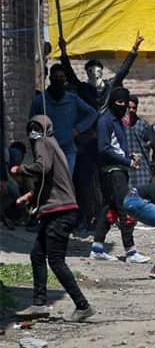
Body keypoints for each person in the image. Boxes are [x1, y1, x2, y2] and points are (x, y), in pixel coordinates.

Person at [12, 115, 96, 322]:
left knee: (56, 260)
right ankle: (39, 303)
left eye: (35, 128)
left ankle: (82, 305)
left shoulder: (42, 142)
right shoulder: (54, 146)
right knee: (37, 255)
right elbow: (50, 182)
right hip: (59, 211)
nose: (33, 132)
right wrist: (30, 196)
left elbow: (42, 167)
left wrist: (20, 169)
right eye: (31, 128)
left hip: (61, 213)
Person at [90, 88, 150, 263]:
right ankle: (130, 251)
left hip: (119, 169)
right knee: (125, 209)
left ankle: (97, 248)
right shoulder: (105, 121)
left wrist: (128, 157)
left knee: (110, 209)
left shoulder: (117, 121)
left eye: (125, 102)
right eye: (120, 102)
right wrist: (126, 162)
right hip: (113, 171)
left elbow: (117, 147)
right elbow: (104, 148)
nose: (123, 106)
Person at [29, 64, 98, 174]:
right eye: (55, 77)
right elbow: (31, 128)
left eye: (61, 77)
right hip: (47, 151)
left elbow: (92, 114)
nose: (58, 80)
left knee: (65, 184)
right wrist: (37, 146)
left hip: (68, 150)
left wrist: (78, 129)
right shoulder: (40, 100)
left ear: (65, 79)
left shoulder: (72, 99)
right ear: (50, 78)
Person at [58, 33, 143, 113]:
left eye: (97, 71)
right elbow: (70, 75)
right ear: (87, 73)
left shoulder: (109, 86)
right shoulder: (83, 88)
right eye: (91, 71)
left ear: (101, 72)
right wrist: (63, 52)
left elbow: (122, 72)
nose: (95, 74)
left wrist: (134, 48)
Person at [124, 94, 154, 189]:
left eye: (134, 108)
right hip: (126, 166)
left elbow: (151, 142)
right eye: (129, 108)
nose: (131, 110)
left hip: (142, 168)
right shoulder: (120, 125)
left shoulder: (143, 124)